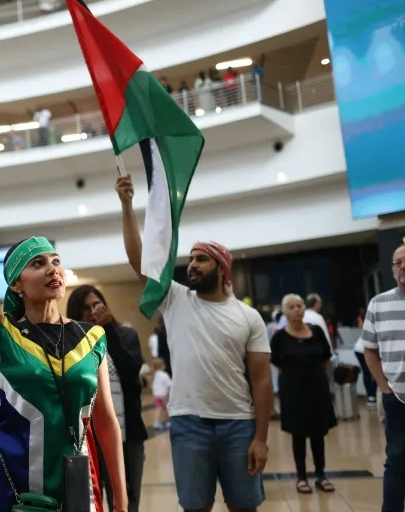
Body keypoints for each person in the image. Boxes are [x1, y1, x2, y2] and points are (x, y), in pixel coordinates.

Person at [0, 143, 127, 512]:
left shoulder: (92, 338)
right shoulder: (2, 335)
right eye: (38, 264)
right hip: (11, 493)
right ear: (17, 285)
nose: (53, 269)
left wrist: (122, 499)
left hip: (78, 489)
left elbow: (106, 424)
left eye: (56, 261)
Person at [116, 174, 272, 512]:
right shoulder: (175, 298)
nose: (193, 266)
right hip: (189, 423)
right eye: (191, 259)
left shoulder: (248, 317)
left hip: (238, 424)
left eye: (202, 259)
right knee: (194, 507)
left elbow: (261, 381)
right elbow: (138, 262)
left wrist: (261, 438)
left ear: (222, 267)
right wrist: (127, 205)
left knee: (244, 506)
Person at [67, 285, 146, 512]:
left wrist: (108, 330)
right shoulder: (72, 345)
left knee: (127, 502)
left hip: (127, 435)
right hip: (86, 438)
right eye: (85, 308)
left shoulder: (126, 335)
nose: (93, 311)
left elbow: (131, 373)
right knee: (89, 501)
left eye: (97, 305)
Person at [271, 294, 336, 494]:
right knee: (298, 434)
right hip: (293, 391)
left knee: (318, 432)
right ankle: (301, 477)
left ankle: (320, 475)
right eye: (292, 307)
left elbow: (326, 358)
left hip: (317, 388)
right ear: (285, 312)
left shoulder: (316, 331)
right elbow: (277, 362)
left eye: (299, 306)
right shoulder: (280, 337)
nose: (297, 309)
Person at [363, 244, 405, 512]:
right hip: (396, 397)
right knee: (397, 460)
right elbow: (369, 348)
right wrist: (383, 387)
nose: (401, 266)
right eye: (396, 262)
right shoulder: (379, 304)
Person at [354, 334, 378, 406]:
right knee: (376, 372)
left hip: (358, 349)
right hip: (366, 350)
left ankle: (371, 397)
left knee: (366, 372)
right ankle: (373, 397)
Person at [151, 358, 172, 431]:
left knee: (158, 408)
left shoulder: (155, 375)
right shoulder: (164, 375)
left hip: (156, 395)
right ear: (162, 366)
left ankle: (156, 422)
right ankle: (168, 422)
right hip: (163, 395)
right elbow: (169, 385)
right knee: (167, 408)